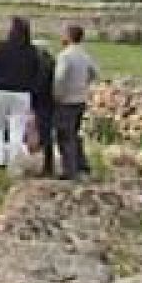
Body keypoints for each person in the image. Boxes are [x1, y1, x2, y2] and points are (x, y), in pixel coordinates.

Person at [0, 16, 45, 173]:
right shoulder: (32, 51)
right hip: (23, 94)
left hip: (1, 91)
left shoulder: (0, 46)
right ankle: (14, 163)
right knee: (17, 129)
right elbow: (37, 73)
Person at [53, 24, 100, 181]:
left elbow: (60, 78)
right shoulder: (85, 55)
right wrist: (84, 83)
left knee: (65, 136)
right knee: (74, 133)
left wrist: (57, 94)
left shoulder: (65, 56)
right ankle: (82, 166)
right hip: (80, 98)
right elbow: (95, 72)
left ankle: (70, 170)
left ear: (69, 36)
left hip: (66, 100)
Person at [32, 38, 58, 176]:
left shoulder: (42, 63)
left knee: (45, 133)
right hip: (50, 101)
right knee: (46, 132)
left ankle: (47, 166)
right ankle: (47, 164)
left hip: (43, 102)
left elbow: (39, 84)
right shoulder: (52, 62)